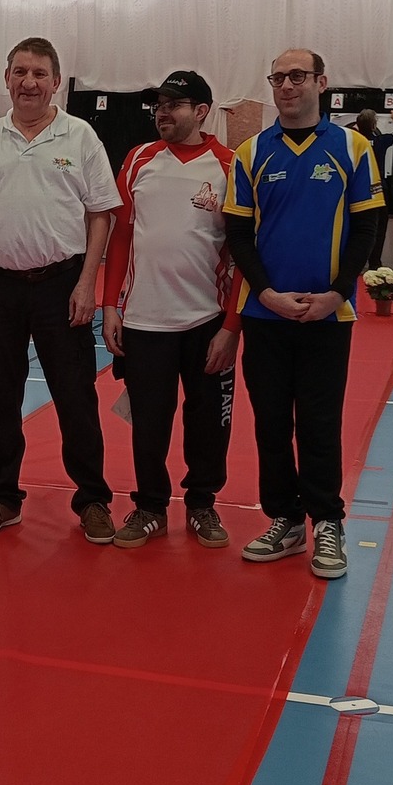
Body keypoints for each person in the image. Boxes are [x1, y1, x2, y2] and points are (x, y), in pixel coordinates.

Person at [0, 36, 121, 543]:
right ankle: (3, 496)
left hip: (61, 285)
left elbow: (101, 215)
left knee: (75, 396)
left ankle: (93, 499)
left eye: (39, 73)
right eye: (20, 72)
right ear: (6, 79)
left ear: (56, 82)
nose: (29, 82)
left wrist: (87, 283)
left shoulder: (80, 135)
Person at [224, 49, 383, 580]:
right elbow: (238, 234)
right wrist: (266, 293)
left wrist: (337, 294)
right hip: (264, 314)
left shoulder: (353, 148)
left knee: (318, 422)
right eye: (278, 77)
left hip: (326, 317)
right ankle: (287, 520)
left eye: (298, 76)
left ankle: (328, 521)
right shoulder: (250, 152)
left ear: (321, 82)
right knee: (270, 423)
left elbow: (365, 228)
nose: (287, 85)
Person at [102, 71, 240, 550]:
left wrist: (231, 327)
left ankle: (202, 504)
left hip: (207, 323)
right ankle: (150, 507)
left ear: (201, 112)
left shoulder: (229, 166)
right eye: (158, 104)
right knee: (148, 422)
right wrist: (110, 306)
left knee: (209, 423)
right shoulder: (139, 159)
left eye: (174, 104)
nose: (162, 112)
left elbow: (242, 254)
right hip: (144, 321)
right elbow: (121, 236)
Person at [352, 107, 393, 268]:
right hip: (379, 189)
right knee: (379, 228)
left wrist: (358, 126)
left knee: (357, 227)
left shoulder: (352, 140)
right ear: (374, 126)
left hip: (357, 188)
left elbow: (350, 130)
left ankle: (354, 263)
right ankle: (375, 264)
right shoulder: (382, 140)